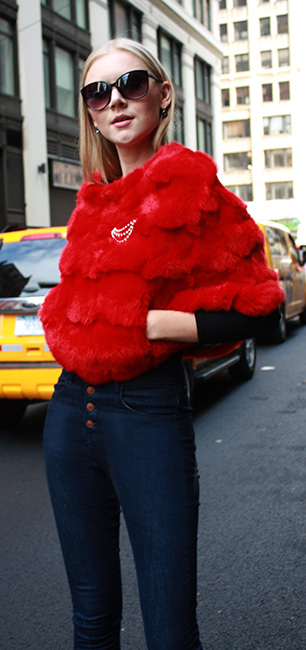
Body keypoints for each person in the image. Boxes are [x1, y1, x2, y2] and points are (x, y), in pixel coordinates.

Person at [40, 38, 283, 650]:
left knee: (170, 631)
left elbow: (259, 305)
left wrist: (150, 325)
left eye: (131, 84)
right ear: (90, 112)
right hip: (69, 414)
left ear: (163, 93)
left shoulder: (195, 190)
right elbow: (77, 302)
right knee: (91, 623)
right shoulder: (92, 202)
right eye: (98, 92)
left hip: (147, 413)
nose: (115, 100)